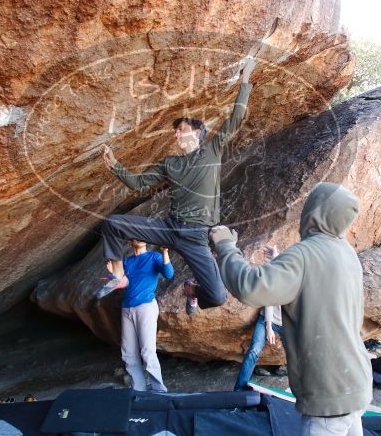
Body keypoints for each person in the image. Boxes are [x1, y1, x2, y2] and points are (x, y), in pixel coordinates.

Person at [210, 183, 375, 436]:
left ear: (313, 211)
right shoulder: (346, 253)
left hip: (328, 392)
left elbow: (251, 287)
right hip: (356, 383)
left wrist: (225, 246)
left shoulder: (306, 254)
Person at [97, 57, 257, 314]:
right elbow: (138, 183)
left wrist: (245, 80)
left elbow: (235, 118)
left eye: (181, 129)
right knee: (113, 223)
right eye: (176, 131)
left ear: (196, 132)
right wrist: (115, 165)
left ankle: (191, 291)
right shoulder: (169, 164)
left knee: (217, 298)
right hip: (169, 228)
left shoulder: (212, 150)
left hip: (197, 237)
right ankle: (117, 273)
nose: (176, 134)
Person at [115, 239, 174, 392]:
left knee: (147, 351)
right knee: (128, 353)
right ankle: (138, 390)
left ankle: (160, 391)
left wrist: (165, 252)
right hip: (127, 308)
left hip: (146, 306)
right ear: (130, 242)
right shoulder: (127, 261)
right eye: (135, 236)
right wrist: (112, 275)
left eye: (141, 236)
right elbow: (121, 282)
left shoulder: (154, 257)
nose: (139, 238)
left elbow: (169, 274)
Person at [234, 244, 285, 391]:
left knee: (296, 353)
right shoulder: (275, 279)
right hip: (266, 320)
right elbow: (268, 299)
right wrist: (269, 327)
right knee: (254, 351)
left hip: (285, 324)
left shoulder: (298, 282)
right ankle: (238, 390)